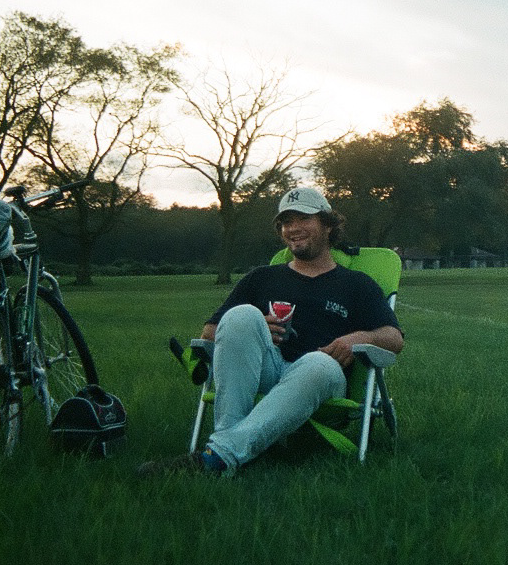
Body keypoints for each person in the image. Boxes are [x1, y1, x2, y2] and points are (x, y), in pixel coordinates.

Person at [138, 187, 403, 476]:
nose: (293, 228)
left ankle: (219, 455)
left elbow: (394, 339)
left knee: (318, 363)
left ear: (328, 225)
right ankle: (226, 451)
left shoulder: (356, 284)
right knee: (241, 315)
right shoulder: (261, 278)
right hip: (265, 370)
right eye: (287, 222)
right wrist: (257, 327)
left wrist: (361, 338)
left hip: (319, 376)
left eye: (303, 219)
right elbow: (211, 333)